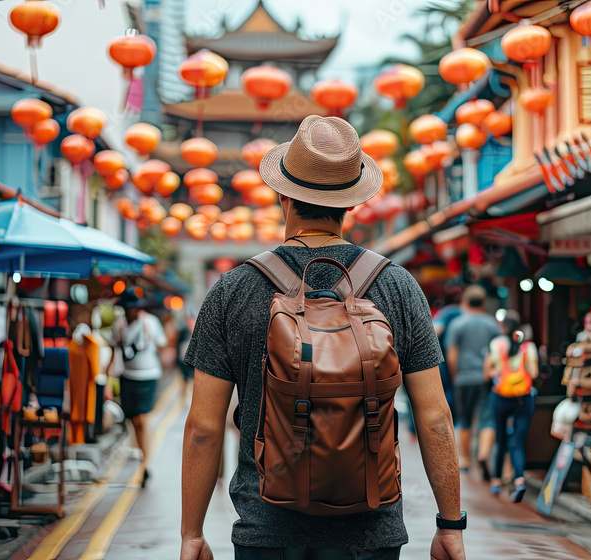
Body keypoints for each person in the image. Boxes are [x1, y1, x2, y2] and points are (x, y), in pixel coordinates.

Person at [180, 116, 464, 560]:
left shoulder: (234, 289)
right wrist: (450, 526)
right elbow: (434, 418)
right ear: (351, 205)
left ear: (281, 196)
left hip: (267, 531)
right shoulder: (397, 286)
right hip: (371, 532)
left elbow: (203, 427)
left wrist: (191, 535)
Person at [445, 285, 502, 472]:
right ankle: (484, 454)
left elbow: (452, 354)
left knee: (463, 419)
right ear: (483, 303)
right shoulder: (492, 324)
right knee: (487, 417)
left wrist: (455, 376)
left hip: (463, 376)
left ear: (465, 302)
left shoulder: (456, 324)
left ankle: (466, 459)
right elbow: (500, 352)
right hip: (487, 378)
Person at [483, 311, 538, 502]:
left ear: (503, 327)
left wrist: (499, 371)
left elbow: (487, 373)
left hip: (500, 397)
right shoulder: (528, 346)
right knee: (517, 441)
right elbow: (534, 372)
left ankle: (496, 481)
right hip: (523, 398)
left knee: (501, 439)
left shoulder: (496, 344)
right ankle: (519, 480)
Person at [115, 289, 167, 487]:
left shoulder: (150, 323)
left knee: (142, 419)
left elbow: (162, 344)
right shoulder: (119, 326)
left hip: (147, 376)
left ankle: (146, 464)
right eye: (128, 308)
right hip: (127, 377)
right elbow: (115, 349)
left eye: (134, 308)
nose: (131, 311)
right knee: (133, 419)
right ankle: (142, 454)